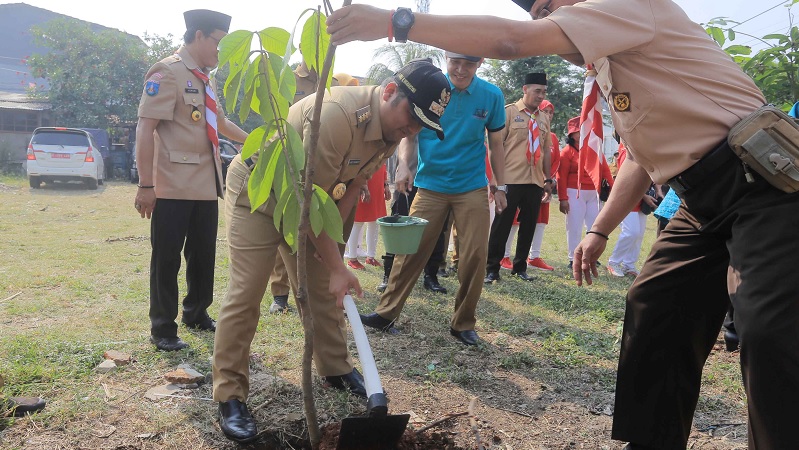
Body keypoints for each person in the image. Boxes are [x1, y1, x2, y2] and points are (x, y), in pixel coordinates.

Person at [328, 2, 797, 449]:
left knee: (767, 328)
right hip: (700, 201)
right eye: (539, 15)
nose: (550, 22)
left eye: (548, 8)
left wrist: (396, 21)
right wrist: (597, 232)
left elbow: (513, 41)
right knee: (656, 304)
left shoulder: (630, 5)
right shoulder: (611, 66)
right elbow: (640, 155)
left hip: (762, 185)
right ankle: (651, 442)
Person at [211, 59, 451, 443]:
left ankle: (335, 368)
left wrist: (333, 260)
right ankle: (230, 395)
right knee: (246, 292)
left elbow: (349, 189)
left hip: (311, 201)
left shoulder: (391, 132)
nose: (413, 129)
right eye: (412, 116)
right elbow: (304, 204)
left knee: (325, 287)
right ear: (389, 91)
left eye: (422, 124)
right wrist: (338, 263)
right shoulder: (338, 115)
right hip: (259, 195)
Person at [359, 51, 507, 346]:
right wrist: (404, 166)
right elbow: (410, 136)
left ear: (480, 64)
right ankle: (386, 314)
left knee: (475, 255)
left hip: (472, 187)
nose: (461, 70)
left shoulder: (491, 95)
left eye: (469, 64)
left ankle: (463, 323)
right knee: (410, 251)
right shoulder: (435, 91)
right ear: (446, 60)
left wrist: (500, 185)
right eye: (455, 62)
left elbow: (496, 145)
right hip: (430, 186)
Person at [134, 9, 248, 352]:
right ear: (198, 36)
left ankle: (197, 313)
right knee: (166, 258)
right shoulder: (167, 71)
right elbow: (145, 128)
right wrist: (145, 184)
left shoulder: (204, 77)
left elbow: (221, 124)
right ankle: (163, 328)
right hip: (170, 184)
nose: (221, 50)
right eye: (218, 42)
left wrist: (260, 142)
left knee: (203, 255)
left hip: (204, 182)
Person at [267, 62, 341, 314]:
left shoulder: (333, 82)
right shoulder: (287, 79)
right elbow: (276, 118)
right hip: (292, 162)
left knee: (320, 227)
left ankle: (318, 289)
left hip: (324, 163)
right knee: (286, 232)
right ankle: (280, 293)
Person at [485, 72, 552, 283]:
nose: (541, 96)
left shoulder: (543, 119)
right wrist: (497, 181)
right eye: (537, 91)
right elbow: (494, 147)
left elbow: (546, 150)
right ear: (525, 90)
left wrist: (548, 179)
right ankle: (492, 268)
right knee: (502, 225)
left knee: (529, 225)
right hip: (510, 179)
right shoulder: (508, 113)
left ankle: (520, 267)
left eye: (544, 92)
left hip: (534, 181)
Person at [557, 116, 613, 270]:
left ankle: (591, 255)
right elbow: (561, 177)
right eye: (578, 131)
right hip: (574, 192)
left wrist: (613, 188)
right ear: (571, 135)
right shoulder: (567, 152)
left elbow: (605, 170)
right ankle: (572, 257)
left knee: (594, 225)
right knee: (574, 226)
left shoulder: (594, 148)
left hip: (593, 193)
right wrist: (562, 198)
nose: (582, 133)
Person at [605, 143, 655, 278]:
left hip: (641, 198)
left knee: (638, 234)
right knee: (631, 232)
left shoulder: (641, 147)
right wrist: (644, 196)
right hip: (628, 198)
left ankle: (629, 265)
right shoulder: (626, 150)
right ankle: (613, 262)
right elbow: (625, 179)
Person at [527, 99, 560, 271]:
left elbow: (555, 163)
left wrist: (549, 181)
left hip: (544, 185)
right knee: (518, 220)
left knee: (541, 221)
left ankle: (534, 256)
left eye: (550, 112)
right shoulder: (529, 130)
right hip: (527, 182)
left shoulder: (553, 137)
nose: (548, 115)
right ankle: (505, 255)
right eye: (544, 111)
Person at [345, 164, 391, 269]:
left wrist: (386, 184)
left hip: (378, 186)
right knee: (357, 222)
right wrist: (363, 185)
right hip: (363, 184)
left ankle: (370, 257)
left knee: (375, 221)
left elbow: (382, 164)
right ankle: (352, 258)